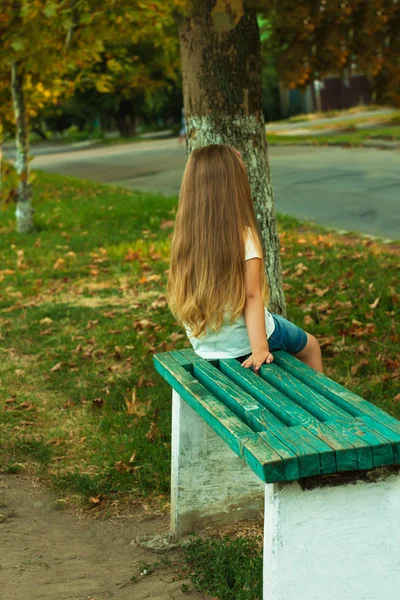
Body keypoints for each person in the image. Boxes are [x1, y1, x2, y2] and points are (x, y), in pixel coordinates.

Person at [167, 144, 323, 374]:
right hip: (245, 341)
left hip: (206, 347)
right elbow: (251, 297)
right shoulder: (244, 237)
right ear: (234, 187)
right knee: (311, 347)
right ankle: (321, 406)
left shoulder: (185, 241)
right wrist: (260, 348)